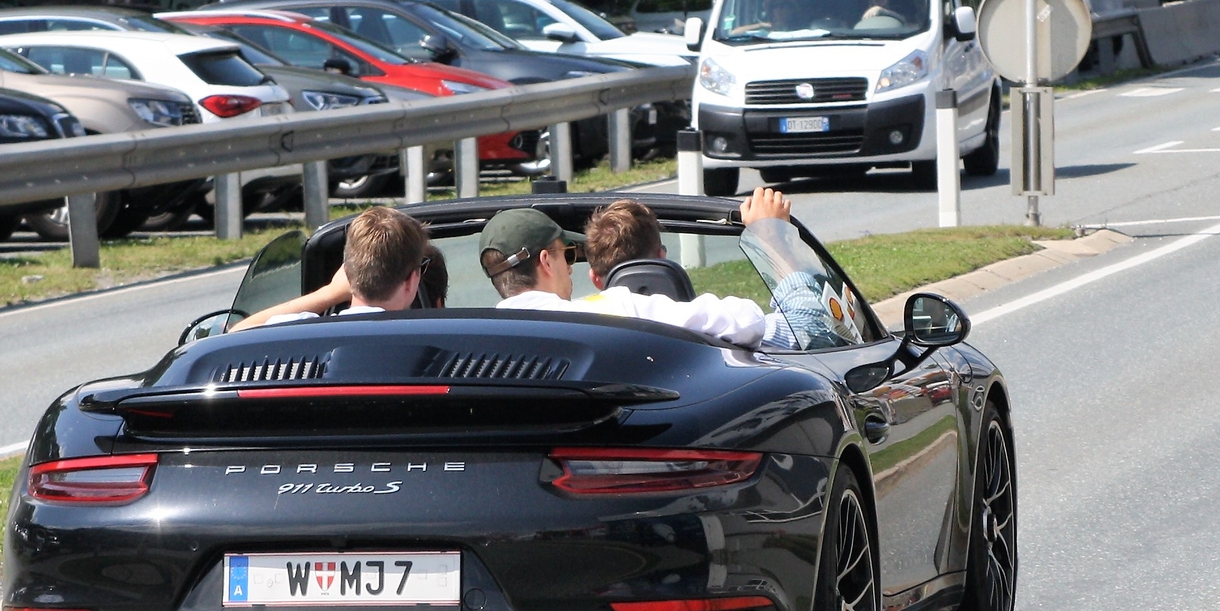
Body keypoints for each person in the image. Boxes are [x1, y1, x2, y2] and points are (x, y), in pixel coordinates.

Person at [479, 191, 822, 348]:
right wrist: (771, 235)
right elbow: (778, 325)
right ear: (545, 261)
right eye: (568, 254)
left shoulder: (479, 339)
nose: (569, 268)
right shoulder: (617, 308)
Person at [231, 205, 437, 328]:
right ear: (411, 280)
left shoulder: (304, 331)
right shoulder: (431, 341)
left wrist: (329, 293)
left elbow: (238, 332)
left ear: (347, 271)